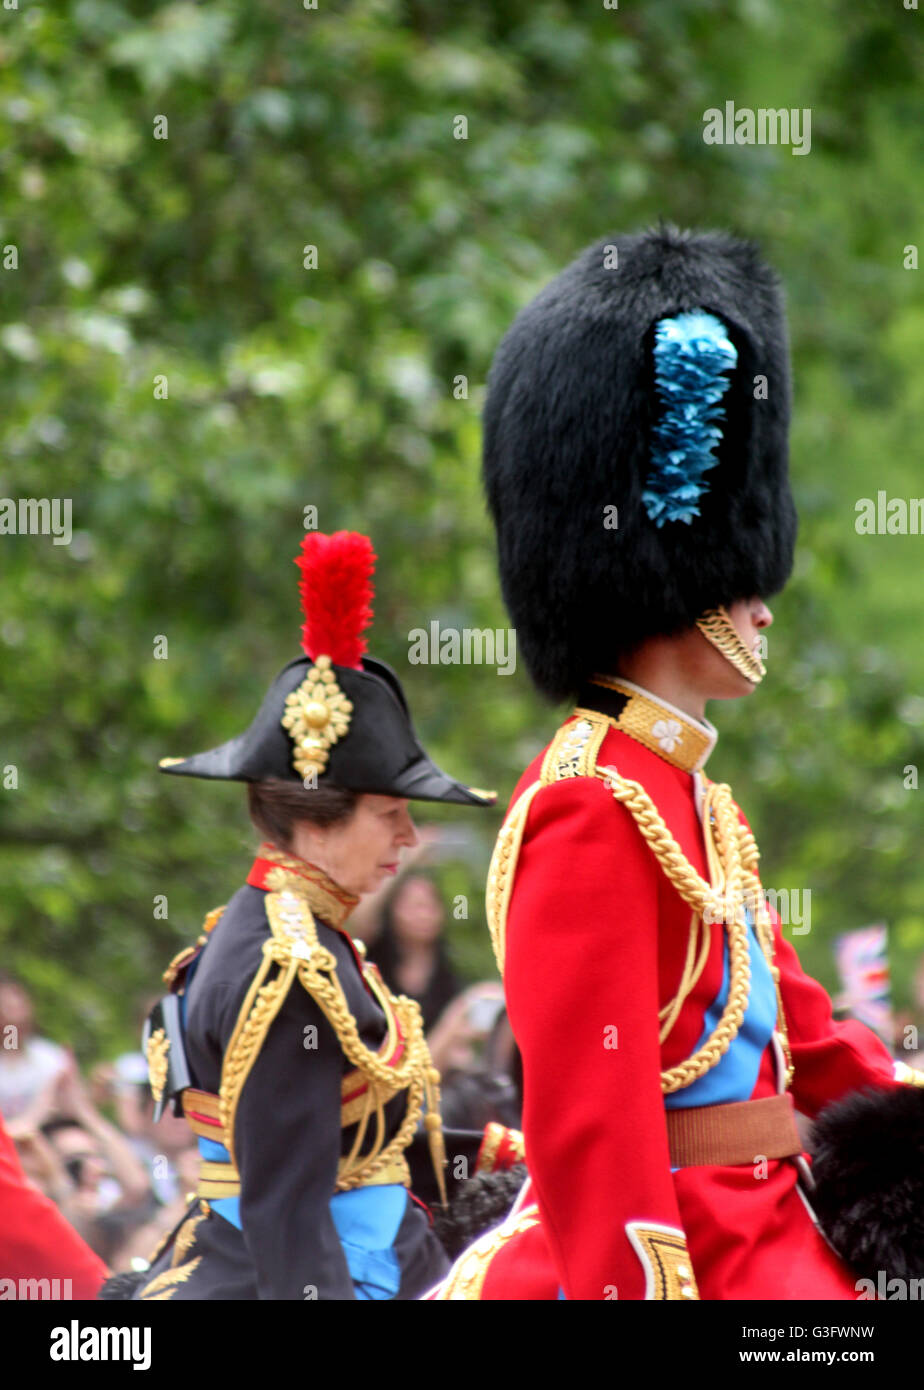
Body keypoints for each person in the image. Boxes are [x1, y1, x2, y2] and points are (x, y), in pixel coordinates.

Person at [431, 225, 924, 1301]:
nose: (763, 603)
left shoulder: (694, 800)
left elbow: (815, 1045)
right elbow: (592, 1127)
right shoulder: (591, 799)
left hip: (770, 1222)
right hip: (685, 1252)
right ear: (668, 576)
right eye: (741, 575)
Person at [122, 530, 496, 1301]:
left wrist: (512, 1156)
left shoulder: (289, 929)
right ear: (318, 820)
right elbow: (289, 1211)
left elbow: (363, 1145)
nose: (410, 837)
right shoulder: (286, 966)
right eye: (390, 813)